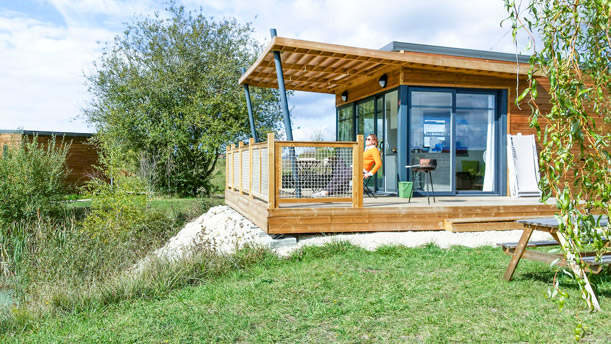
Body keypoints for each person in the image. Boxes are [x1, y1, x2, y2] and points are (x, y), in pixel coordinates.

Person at [312, 134, 382, 197]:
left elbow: (378, 164)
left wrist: (369, 174)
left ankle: (326, 192)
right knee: (337, 175)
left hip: (360, 171)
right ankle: (324, 191)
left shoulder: (374, 150)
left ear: (374, 142)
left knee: (343, 178)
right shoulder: (366, 150)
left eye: (369, 139)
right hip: (353, 168)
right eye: (366, 139)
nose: (366, 140)